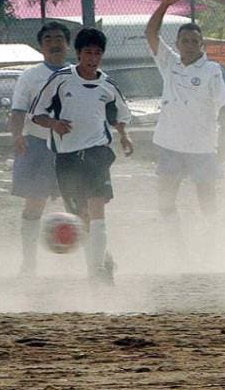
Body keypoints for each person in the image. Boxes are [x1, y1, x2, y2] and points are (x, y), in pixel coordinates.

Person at [30, 28, 134, 284]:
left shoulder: (108, 85)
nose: (93, 58)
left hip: (97, 153)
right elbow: (37, 114)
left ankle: (96, 273)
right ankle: (102, 259)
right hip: (67, 157)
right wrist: (54, 124)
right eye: (88, 53)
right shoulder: (61, 80)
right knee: (81, 218)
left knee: (96, 208)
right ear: (78, 54)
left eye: (98, 53)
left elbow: (119, 116)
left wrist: (124, 136)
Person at [144, 0, 225, 241]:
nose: (190, 45)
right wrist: (164, 4)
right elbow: (151, 32)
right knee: (165, 201)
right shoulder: (169, 62)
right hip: (170, 144)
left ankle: (212, 245)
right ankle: (177, 246)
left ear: (202, 44)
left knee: (207, 201)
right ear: (177, 43)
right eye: (185, 41)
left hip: (202, 147)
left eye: (195, 41)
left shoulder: (212, 70)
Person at [9, 21, 72, 276]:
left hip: (72, 147)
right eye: (48, 39)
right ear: (41, 46)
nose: (54, 43)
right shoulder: (30, 76)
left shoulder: (79, 74)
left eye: (59, 39)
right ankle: (29, 262)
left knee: (82, 204)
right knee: (35, 204)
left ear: (67, 44)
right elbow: (18, 110)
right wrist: (17, 135)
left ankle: (94, 259)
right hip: (38, 144)